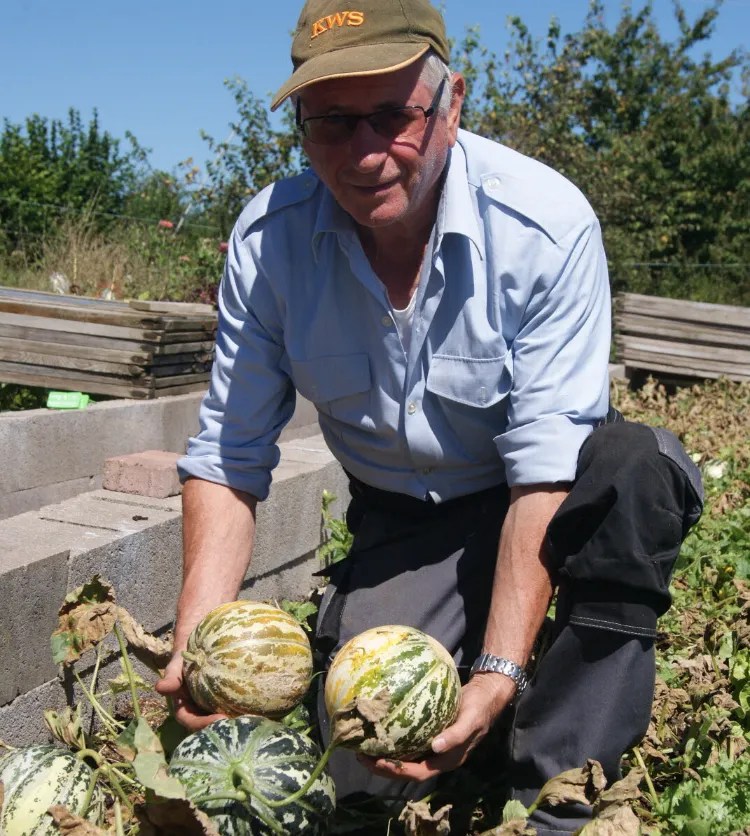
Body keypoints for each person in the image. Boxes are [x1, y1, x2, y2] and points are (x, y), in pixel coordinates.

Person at [156, 0, 704, 832]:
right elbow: (230, 457)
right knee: (360, 775)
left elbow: (546, 471)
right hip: (408, 521)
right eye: (333, 122)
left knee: (633, 471)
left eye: (392, 115)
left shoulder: (544, 228)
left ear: (453, 104)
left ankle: (556, 790)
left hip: (543, 504)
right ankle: (478, 702)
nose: (366, 152)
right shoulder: (269, 243)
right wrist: (200, 648)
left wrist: (495, 669)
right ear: (301, 123)